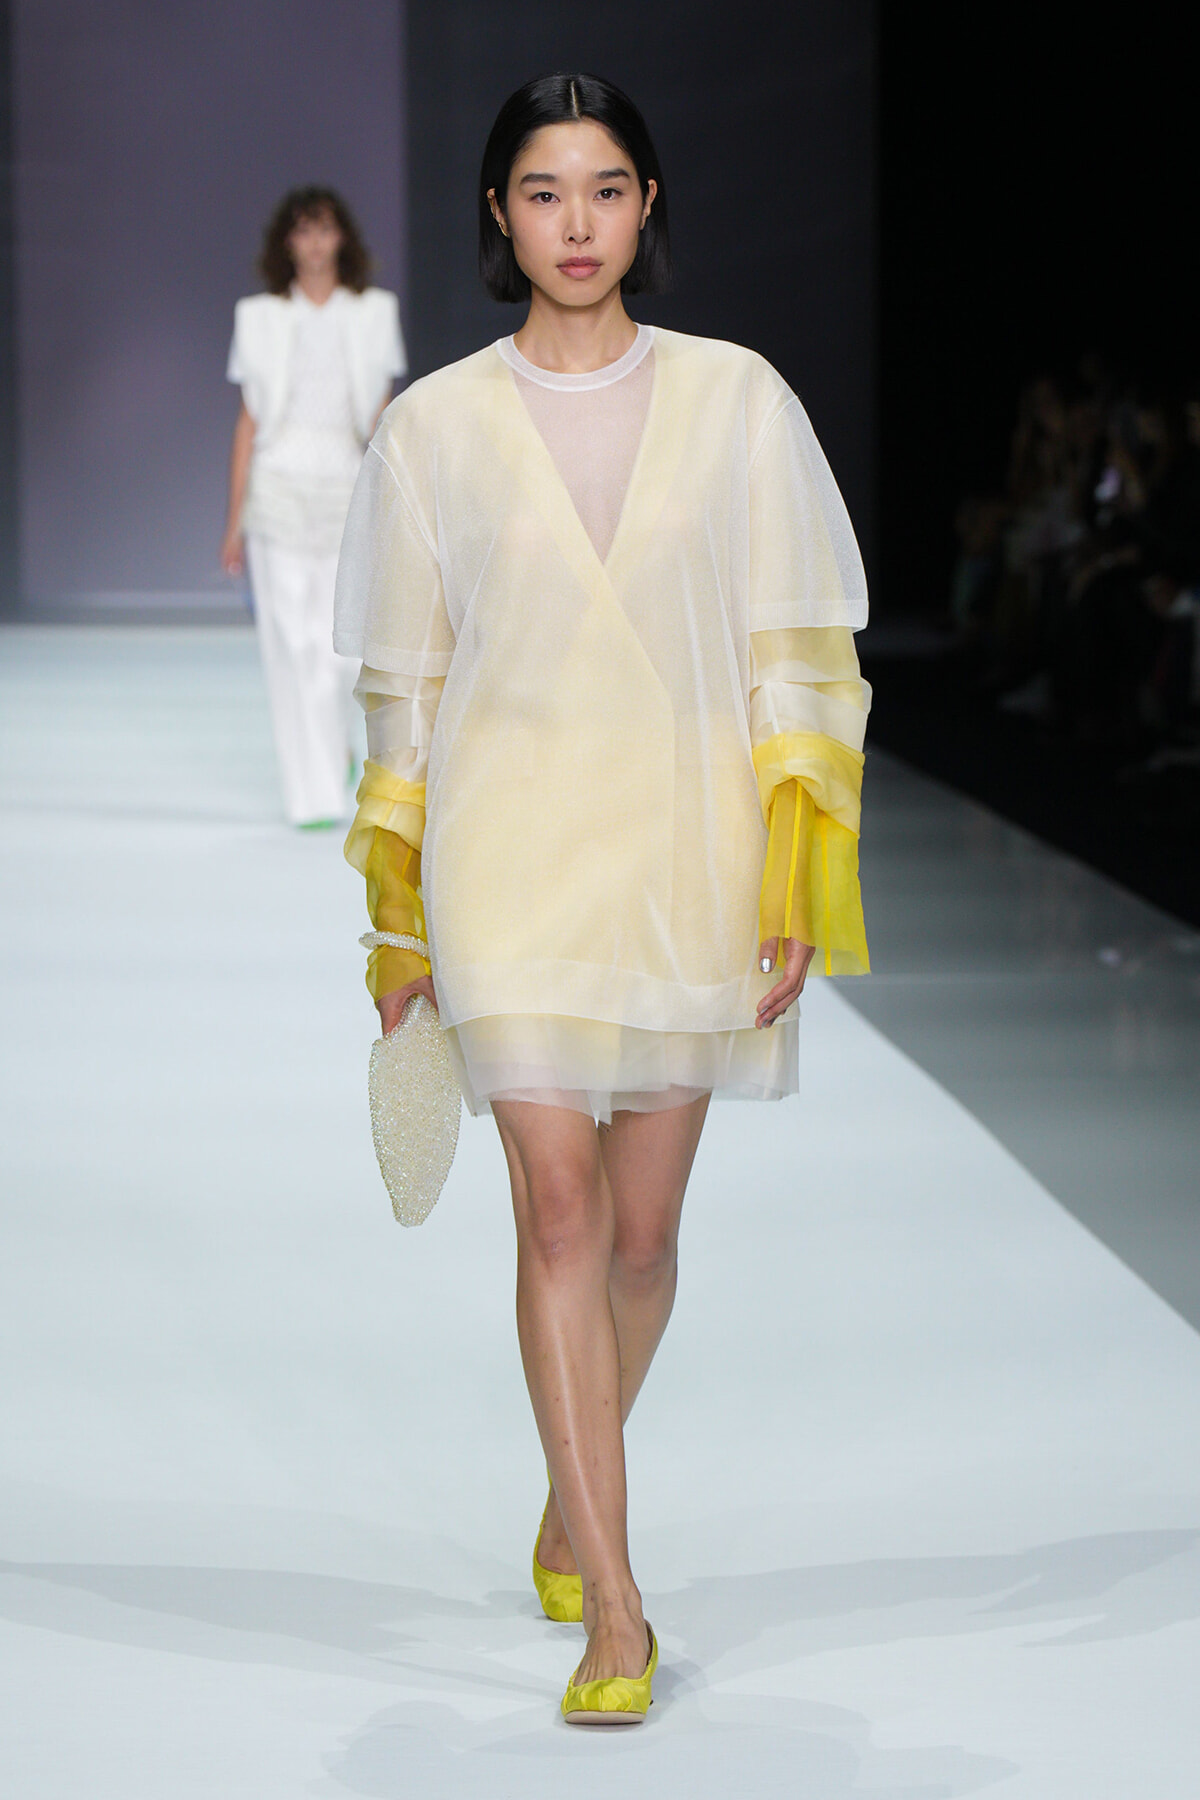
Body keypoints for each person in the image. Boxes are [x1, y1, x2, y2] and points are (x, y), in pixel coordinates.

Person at [334, 73, 870, 1725]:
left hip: (680, 852)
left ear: (648, 206)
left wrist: (794, 864)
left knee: (644, 1233)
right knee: (557, 1210)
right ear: (499, 213)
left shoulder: (738, 402)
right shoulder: (434, 427)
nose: (578, 224)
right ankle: (617, 1611)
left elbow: (797, 652)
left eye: (608, 189)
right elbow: (403, 690)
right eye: (546, 192)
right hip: (509, 846)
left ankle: (574, 1496)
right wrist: (401, 916)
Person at [222, 187, 406, 826]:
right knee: (288, 645)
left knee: (341, 652)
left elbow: (382, 414)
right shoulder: (259, 316)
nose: (315, 242)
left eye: (324, 229)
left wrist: (396, 501)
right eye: (302, 231)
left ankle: (338, 750)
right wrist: (234, 521)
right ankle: (314, 798)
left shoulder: (375, 311)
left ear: (341, 239)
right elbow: (248, 423)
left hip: (346, 485)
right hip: (275, 487)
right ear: (287, 243)